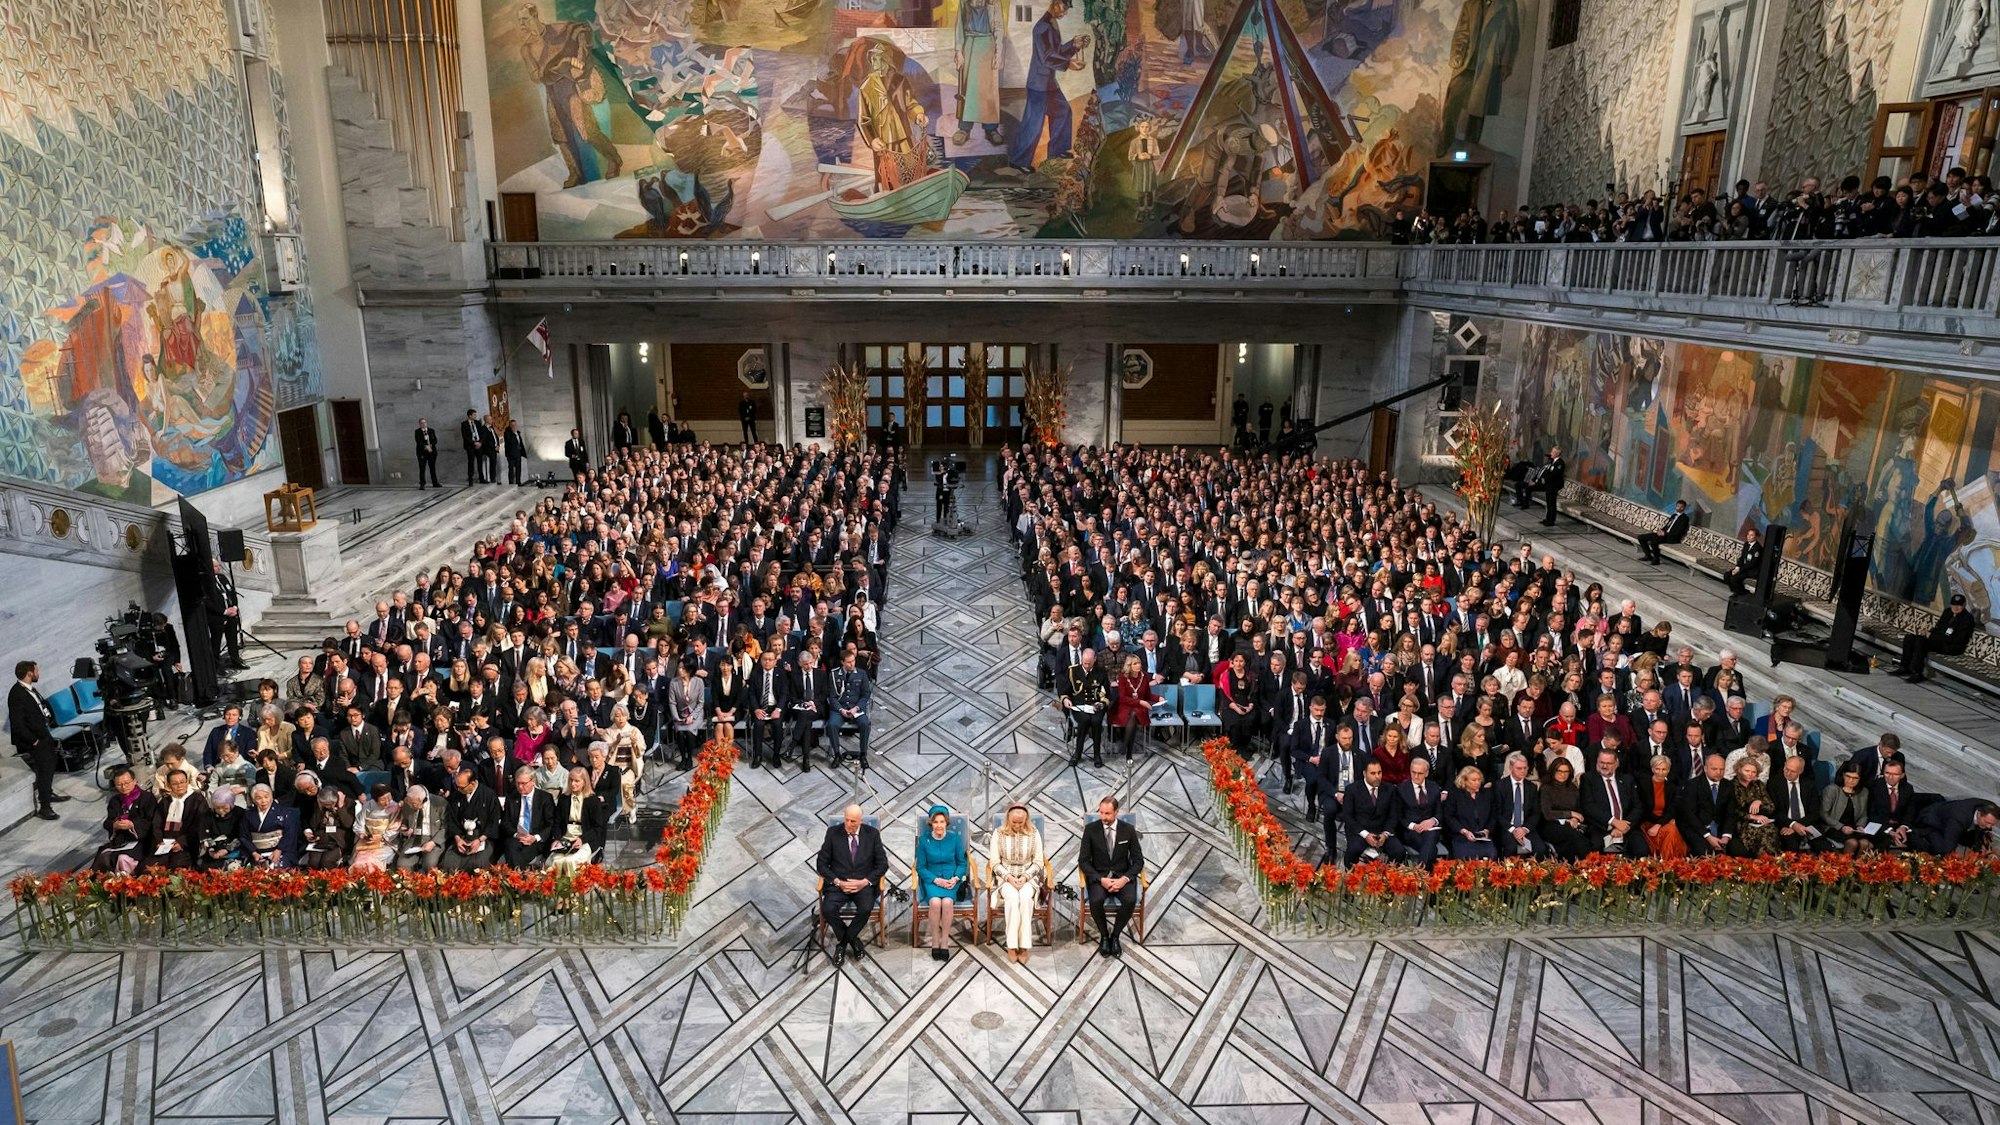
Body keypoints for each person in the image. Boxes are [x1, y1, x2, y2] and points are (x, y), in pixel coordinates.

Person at [1007, 0, 1084, 172]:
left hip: (1048, 83)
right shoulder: (1042, 27)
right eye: (1064, 9)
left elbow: (1056, 52)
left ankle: (1057, 151)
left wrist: (1073, 45)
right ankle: (1018, 161)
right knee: (1033, 123)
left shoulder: (1051, 23)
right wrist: (1069, 64)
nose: (1064, 13)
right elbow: (1047, 57)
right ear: (1055, 4)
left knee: (1063, 112)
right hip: (1038, 84)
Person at [817, 804, 888, 964]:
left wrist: (865, 882)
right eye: (846, 820)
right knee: (827, 909)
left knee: (865, 908)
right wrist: (838, 882)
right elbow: (821, 863)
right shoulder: (833, 833)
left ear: (861, 821)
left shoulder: (872, 834)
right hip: (839, 884)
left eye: (853, 821)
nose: (849, 824)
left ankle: (841, 945)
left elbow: (883, 864)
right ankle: (853, 941)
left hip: (862, 884)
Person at [1079, 795, 1144, 955]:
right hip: (1099, 877)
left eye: (1107, 813)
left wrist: (1124, 879)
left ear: (1116, 812)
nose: (1103, 817)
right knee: (1096, 900)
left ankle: (1115, 935)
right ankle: (1104, 936)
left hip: (1122, 876)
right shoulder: (1090, 829)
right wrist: (1101, 879)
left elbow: (1138, 861)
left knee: (1130, 900)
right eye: (1101, 813)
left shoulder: (1128, 830)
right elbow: (1083, 861)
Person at [989, 803, 1046, 962]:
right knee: (1013, 900)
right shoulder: (998, 834)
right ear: (1008, 819)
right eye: (1014, 822)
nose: (1017, 825)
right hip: (1005, 877)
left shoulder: (1034, 833)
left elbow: (1039, 862)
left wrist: (1025, 877)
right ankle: (1012, 945)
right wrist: (1009, 877)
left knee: (1025, 899)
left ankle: (1024, 946)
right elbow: (994, 862)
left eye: (1020, 823)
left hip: (1028, 877)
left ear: (1026, 820)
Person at [9, 660, 65, 820]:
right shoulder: (17, 694)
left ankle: (47, 792)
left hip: (43, 734)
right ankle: (45, 807)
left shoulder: (29, 689)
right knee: (44, 769)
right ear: (29, 673)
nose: (38, 673)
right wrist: (33, 740)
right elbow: (18, 723)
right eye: (36, 671)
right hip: (34, 740)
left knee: (51, 763)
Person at [914, 805, 969, 961]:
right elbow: (921, 867)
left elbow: (962, 863)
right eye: (936, 822)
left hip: (951, 879)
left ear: (946, 823)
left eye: (942, 822)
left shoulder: (954, 838)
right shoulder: (924, 841)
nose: (939, 825)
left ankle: (944, 941)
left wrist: (956, 878)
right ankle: (935, 940)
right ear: (931, 823)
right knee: (936, 903)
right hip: (932, 879)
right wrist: (936, 880)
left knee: (947, 903)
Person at [1897, 593, 1978, 683]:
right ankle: (1904, 667)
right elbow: (1939, 628)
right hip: (1940, 641)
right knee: (1910, 638)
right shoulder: (1948, 612)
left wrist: (1931, 636)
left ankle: (1917, 673)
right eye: (1953, 605)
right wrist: (1928, 633)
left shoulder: (1967, 619)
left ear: (1964, 605)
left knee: (1921, 642)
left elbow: (1956, 639)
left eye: (1958, 605)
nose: (1955, 607)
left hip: (1951, 647)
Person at [1342, 760, 1409, 865]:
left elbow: (1394, 815)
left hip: (1383, 831)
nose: (1377, 776)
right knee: (1353, 850)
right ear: (1364, 773)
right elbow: (1347, 817)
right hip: (1360, 832)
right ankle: (1351, 878)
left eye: (1379, 772)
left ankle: (1387, 877)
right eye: (1373, 773)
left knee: (1399, 852)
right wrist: (1366, 835)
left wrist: (1385, 834)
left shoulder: (1390, 789)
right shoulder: (1352, 790)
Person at [547, 767, 610, 874]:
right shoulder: (564, 798)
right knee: (556, 861)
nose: (573, 784)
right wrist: (557, 839)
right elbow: (557, 823)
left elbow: (598, 827)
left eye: (577, 781)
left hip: (585, 838)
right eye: (571, 780)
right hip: (566, 837)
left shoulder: (592, 800)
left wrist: (582, 839)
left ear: (584, 782)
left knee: (572, 861)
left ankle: (576, 888)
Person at [94, 766, 156, 871]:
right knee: (104, 856)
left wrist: (133, 825)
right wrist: (114, 825)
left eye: (126, 783)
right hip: (121, 840)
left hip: (142, 840)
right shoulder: (115, 800)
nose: (123, 787)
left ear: (135, 781)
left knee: (123, 859)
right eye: (119, 784)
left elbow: (152, 821)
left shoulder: (147, 798)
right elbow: (108, 822)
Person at [1060, 647, 1110, 767]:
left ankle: (1097, 755)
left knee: (1096, 721)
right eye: (1085, 663)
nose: (1087, 665)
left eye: (1089, 663)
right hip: (1079, 706)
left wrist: (1101, 704)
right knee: (1084, 720)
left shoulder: (1101, 672)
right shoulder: (1073, 671)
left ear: (1095, 660)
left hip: (1095, 705)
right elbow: (1064, 690)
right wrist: (1066, 699)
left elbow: (1106, 694)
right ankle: (1077, 754)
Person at [1679, 754, 1737, 856]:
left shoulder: (1728, 785)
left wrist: (1726, 836)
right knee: (1705, 853)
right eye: (1714, 769)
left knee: (1738, 851)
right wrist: (1708, 836)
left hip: (1720, 829)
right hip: (1698, 829)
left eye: (1721, 769)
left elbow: (1730, 813)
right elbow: (1690, 815)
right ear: (1705, 768)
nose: (1718, 773)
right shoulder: (1692, 785)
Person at [826, 649, 874, 768]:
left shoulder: (862, 674)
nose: (852, 664)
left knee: (865, 723)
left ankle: (863, 754)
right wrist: (841, 710)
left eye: (853, 661)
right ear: (842, 662)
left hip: (855, 708)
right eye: (848, 662)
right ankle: (837, 754)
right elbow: (832, 697)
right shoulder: (834, 674)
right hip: (840, 709)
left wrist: (856, 708)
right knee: (832, 725)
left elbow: (865, 695)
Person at [500, 766, 554, 867]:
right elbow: (505, 822)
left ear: (533, 781)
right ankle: (522, 878)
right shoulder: (512, 798)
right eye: (517, 783)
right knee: (510, 846)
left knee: (517, 855)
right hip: (517, 837)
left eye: (523, 783)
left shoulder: (545, 798)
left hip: (535, 839)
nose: (520, 787)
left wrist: (535, 837)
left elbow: (550, 824)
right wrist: (516, 834)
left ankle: (516, 878)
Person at [1109, 653, 1156, 760]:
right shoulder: (1123, 678)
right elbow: (1123, 698)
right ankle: (1128, 753)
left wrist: (1158, 698)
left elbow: (1148, 695)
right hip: (1125, 707)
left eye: (1139, 663)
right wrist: (1140, 702)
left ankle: (1125, 746)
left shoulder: (1144, 677)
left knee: (1134, 714)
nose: (1138, 665)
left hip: (1139, 708)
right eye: (1135, 663)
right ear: (1129, 665)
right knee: (1132, 716)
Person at [241, 782, 299, 868]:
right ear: (253, 800)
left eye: (266, 797)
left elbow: (290, 833)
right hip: (257, 853)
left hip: (280, 851)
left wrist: (279, 850)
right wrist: (254, 853)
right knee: (254, 874)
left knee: (278, 870)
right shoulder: (248, 814)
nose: (263, 801)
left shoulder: (284, 812)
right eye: (259, 798)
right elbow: (244, 836)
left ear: (271, 797)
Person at [1915, 799, 2000, 856]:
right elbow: (1949, 848)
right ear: (1979, 814)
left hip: (1950, 817)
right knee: (1944, 850)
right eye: (1987, 822)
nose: (1989, 827)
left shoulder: (1990, 807)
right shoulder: (1959, 818)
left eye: (1992, 824)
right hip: (1932, 823)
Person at [1732, 758, 1779, 856]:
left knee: (1770, 829)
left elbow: (1771, 807)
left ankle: (1771, 863)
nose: (1750, 774)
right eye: (1747, 771)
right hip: (1741, 822)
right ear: (1739, 770)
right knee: (1760, 833)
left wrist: (1759, 802)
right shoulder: (1730, 786)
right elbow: (1732, 811)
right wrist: (1751, 816)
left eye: (1754, 772)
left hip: (1760, 820)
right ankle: (1760, 864)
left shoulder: (1758, 785)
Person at [1821, 761, 1871, 853]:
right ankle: (1845, 865)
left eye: (1855, 778)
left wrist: (1860, 826)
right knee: (1853, 843)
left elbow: (1863, 814)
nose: (1851, 781)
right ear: (1842, 775)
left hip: (1853, 828)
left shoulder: (1864, 792)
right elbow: (1824, 814)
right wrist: (1841, 827)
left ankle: (1859, 866)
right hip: (1833, 827)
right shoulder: (1832, 790)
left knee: (1865, 843)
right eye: (1848, 776)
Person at [395, 784, 447, 870]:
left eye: (413, 804)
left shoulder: (440, 803)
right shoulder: (408, 801)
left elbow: (446, 827)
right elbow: (404, 823)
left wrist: (433, 842)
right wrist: (405, 829)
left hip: (433, 837)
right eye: (409, 803)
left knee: (430, 865)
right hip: (414, 838)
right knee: (402, 865)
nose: (411, 806)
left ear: (422, 800)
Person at [208, 559, 243, 670]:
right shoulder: (206, 582)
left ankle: (236, 661)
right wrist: (224, 611)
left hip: (231, 614)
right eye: (216, 566)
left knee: (232, 639)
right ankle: (217, 666)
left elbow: (232, 592)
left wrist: (235, 607)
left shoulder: (223, 578)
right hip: (218, 617)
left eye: (219, 565)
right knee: (216, 642)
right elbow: (208, 602)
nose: (219, 568)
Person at [1637, 500, 1690, 565]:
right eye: (1678, 506)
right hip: (1664, 534)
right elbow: (1667, 525)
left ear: (1684, 508)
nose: (1679, 508)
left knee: (1654, 542)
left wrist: (1665, 534)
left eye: (1681, 507)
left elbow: (1679, 531)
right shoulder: (1674, 515)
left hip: (1672, 537)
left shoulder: (1685, 518)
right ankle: (1648, 556)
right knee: (1641, 537)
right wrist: (1661, 530)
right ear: (1676, 506)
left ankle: (1656, 559)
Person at [1723, 528, 1764, 594]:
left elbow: (1752, 563)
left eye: (1751, 535)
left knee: (1734, 579)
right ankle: (1736, 591)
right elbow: (1742, 558)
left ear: (1755, 537)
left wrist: (1740, 569)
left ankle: (1741, 593)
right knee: (1727, 575)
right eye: (1748, 534)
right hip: (1743, 568)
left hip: (1751, 570)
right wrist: (1737, 567)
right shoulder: (1746, 545)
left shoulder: (1757, 548)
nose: (1749, 536)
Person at [460, 409, 486, 485]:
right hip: (470, 446)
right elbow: (465, 437)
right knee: (471, 462)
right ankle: (470, 479)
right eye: (474, 415)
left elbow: (482, 433)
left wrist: (480, 442)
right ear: (470, 415)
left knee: (480, 462)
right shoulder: (464, 424)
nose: (475, 416)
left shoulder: (478, 423)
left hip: (479, 445)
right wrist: (474, 443)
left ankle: (481, 478)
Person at [414, 417, 441, 489]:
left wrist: (431, 445)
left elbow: (435, 440)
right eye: (422, 423)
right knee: (422, 468)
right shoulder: (417, 432)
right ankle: (422, 484)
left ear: (427, 423)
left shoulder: (431, 431)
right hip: (422, 453)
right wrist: (426, 447)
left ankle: (435, 483)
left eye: (425, 422)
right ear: (419, 424)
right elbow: (418, 442)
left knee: (432, 468)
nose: (423, 424)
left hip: (432, 452)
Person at [504, 421, 528, 485]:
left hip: (518, 453)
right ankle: (511, 482)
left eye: (515, 425)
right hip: (511, 454)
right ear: (510, 426)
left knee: (518, 468)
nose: (514, 426)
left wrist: (523, 453)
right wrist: (513, 433)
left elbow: (520, 443)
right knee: (511, 469)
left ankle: (518, 481)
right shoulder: (507, 433)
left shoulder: (518, 433)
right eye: (512, 425)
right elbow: (509, 441)